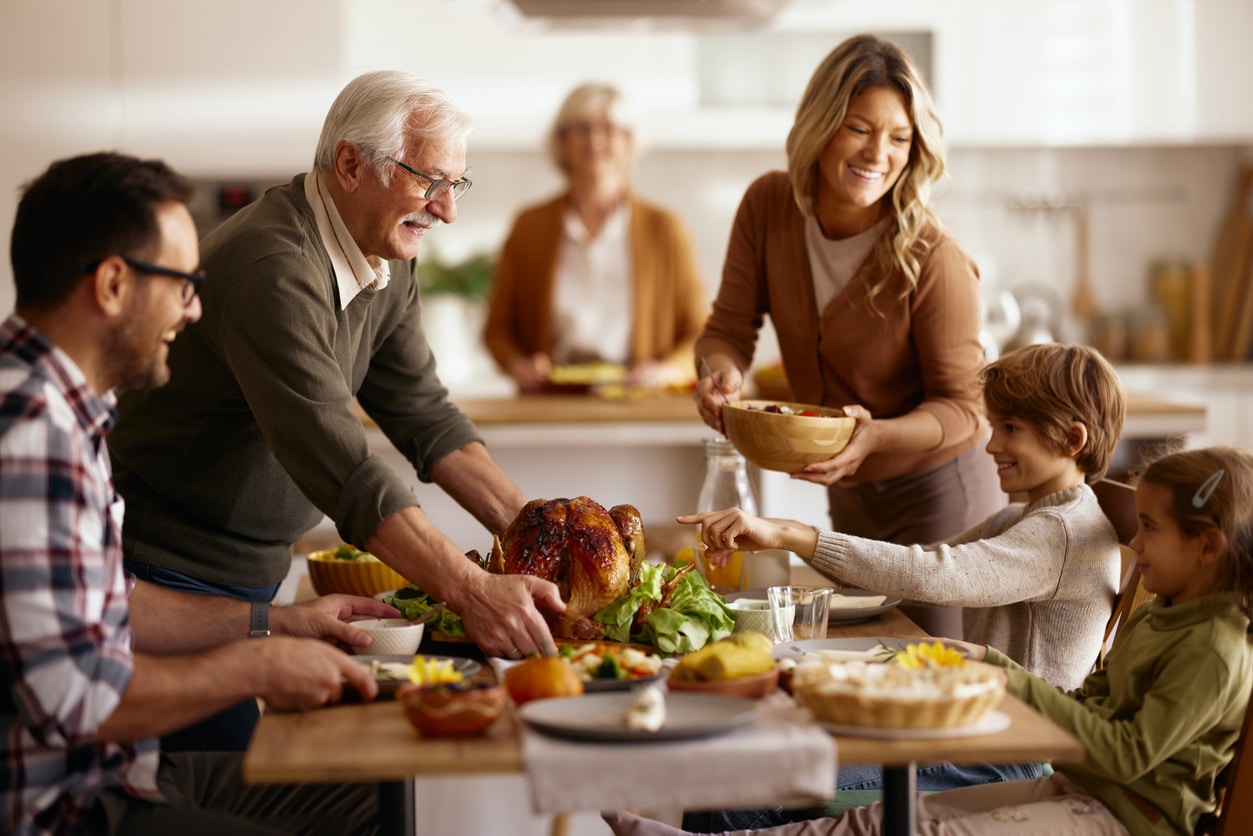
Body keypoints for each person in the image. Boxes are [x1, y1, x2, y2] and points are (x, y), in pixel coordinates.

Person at [106, 71, 564, 750]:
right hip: (166, 578)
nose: (446, 211)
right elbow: (340, 462)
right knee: (205, 790)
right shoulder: (274, 265)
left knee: (240, 782)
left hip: (246, 579)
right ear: (351, 164)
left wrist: (536, 536)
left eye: (454, 185)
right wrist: (470, 591)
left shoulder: (383, 255)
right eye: (428, 181)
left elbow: (423, 414)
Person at [1, 152, 382, 835]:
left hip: (124, 773)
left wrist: (280, 624)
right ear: (113, 284)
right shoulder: (32, 435)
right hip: (69, 809)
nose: (194, 309)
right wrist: (256, 666)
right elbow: (74, 703)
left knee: (371, 795)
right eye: (182, 283)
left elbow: (116, 604)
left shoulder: (61, 411)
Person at [606, 442, 1253, 836]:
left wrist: (996, 672)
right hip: (1065, 774)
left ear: (1205, 547)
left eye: (1008, 428)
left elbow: (1124, 754)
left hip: (1110, 807)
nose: (1134, 544)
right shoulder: (1155, 603)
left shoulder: (1211, 645)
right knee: (883, 820)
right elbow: (923, 562)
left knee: (786, 791)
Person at [678, 343, 1126, 828]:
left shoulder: (1061, 531)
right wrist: (780, 540)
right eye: (994, 426)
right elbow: (907, 572)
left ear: (1072, 439)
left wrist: (794, 534)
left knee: (731, 786)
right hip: (980, 734)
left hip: (1009, 756)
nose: (992, 444)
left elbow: (937, 574)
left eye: (1010, 428)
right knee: (731, 769)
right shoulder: (1022, 517)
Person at [693, 34, 1003, 638]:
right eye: (859, 128)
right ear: (821, 124)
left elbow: (967, 408)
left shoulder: (932, 257)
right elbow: (727, 328)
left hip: (941, 498)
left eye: (898, 137)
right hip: (853, 500)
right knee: (865, 654)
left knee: (928, 664)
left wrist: (876, 436)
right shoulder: (768, 206)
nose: (877, 153)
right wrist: (721, 374)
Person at [482, 81, 708, 392]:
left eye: (609, 129)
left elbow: (699, 331)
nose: (595, 140)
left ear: (629, 141)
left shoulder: (665, 229)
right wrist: (517, 365)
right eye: (581, 128)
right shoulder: (529, 226)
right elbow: (496, 330)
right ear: (561, 141)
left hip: (638, 398)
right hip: (550, 401)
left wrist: (668, 371)